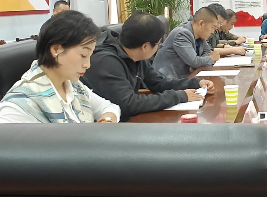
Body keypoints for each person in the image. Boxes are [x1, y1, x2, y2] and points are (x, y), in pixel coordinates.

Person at [83, 12, 216, 121]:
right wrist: (179, 96)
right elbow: (128, 104)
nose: (158, 47)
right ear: (145, 46)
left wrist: (196, 83)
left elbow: (158, 82)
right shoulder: (106, 61)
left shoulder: (136, 55)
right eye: (158, 44)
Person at [0, 10, 120, 123]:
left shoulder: (73, 86)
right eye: (83, 55)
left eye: (89, 56)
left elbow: (109, 107)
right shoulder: (18, 106)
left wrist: (107, 121)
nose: (88, 65)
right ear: (56, 49)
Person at [154, 7, 221, 78]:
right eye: (212, 27)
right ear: (201, 23)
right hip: (166, 79)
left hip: (184, 77)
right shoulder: (182, 34)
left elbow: (208, 52)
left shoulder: (200, 36)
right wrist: (211, 58)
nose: (213, 32)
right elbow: (194, 62)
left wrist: (201, 61)